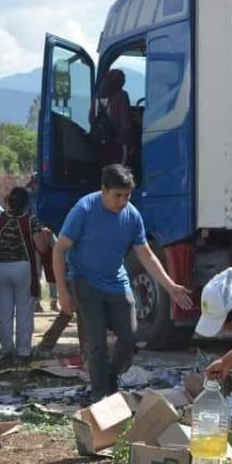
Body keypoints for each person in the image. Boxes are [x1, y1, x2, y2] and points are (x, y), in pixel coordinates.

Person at [54, 164, 192, 401]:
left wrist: (170, 286)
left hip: (117, 283)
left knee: (130, 338)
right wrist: (62, 291)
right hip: (85, 281)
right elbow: (59, 249)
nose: (122, 201)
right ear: (103, 190)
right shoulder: (84, 209)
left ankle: (108, 378)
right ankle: (100, 397)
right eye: (117, 195)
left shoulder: (132, 215)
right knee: (96, 342)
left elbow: (146, 254)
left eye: (127, 196)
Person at [0, 186, 51, 365]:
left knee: (4, 312)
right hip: (23, 268)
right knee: (24, 311)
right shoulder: (32, 221)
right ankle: (24, 351)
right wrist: (45, 235)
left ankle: (7, 350)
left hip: (0, 268)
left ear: (8, 201)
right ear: (26, 203)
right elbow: (41, 247)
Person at [90, 69, 136, 165]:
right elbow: (125, 123)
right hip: (117, 143)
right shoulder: (122, 96)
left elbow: (91, 119)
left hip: (100, 142)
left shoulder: (97, 97)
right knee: (119, 173)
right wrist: (131, 144)